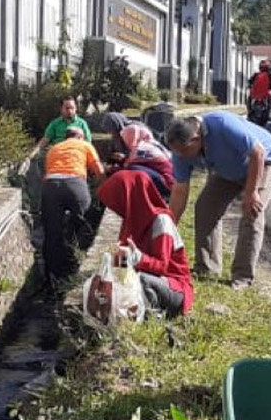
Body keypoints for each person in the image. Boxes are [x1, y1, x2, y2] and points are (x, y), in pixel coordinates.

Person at [163, 112, 271, 289]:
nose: (180, 157)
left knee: (252, 212)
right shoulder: (180, 151)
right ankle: (207, 268)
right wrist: (168, 226)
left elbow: (258, 152)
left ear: (196, 139)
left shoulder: (222, 124)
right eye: (176, 152)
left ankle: (242, 277)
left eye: (183, 151)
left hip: (263, 162)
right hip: (226, 170)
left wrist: (251, 193)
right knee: (205, 208)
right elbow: (180, 191)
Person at [98, 170, 194, 317]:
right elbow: (124, 256)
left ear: (129, 198)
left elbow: (162, 266)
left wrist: (137, 257)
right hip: (149, 278)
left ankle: (151, 313)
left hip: (174, 286)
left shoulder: (161, 222)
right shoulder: (131, 220)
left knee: (140, 280)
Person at [38, 125, 103, 287]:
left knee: (52, 232)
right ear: (80, 137)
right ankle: (77, 264)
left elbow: (47, 174)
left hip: (51, 185)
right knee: (86, 222)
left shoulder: (54, 148)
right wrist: (99, 191)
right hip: (75, 183)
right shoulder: (85, 145)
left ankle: (52, 276)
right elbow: (99, 171)